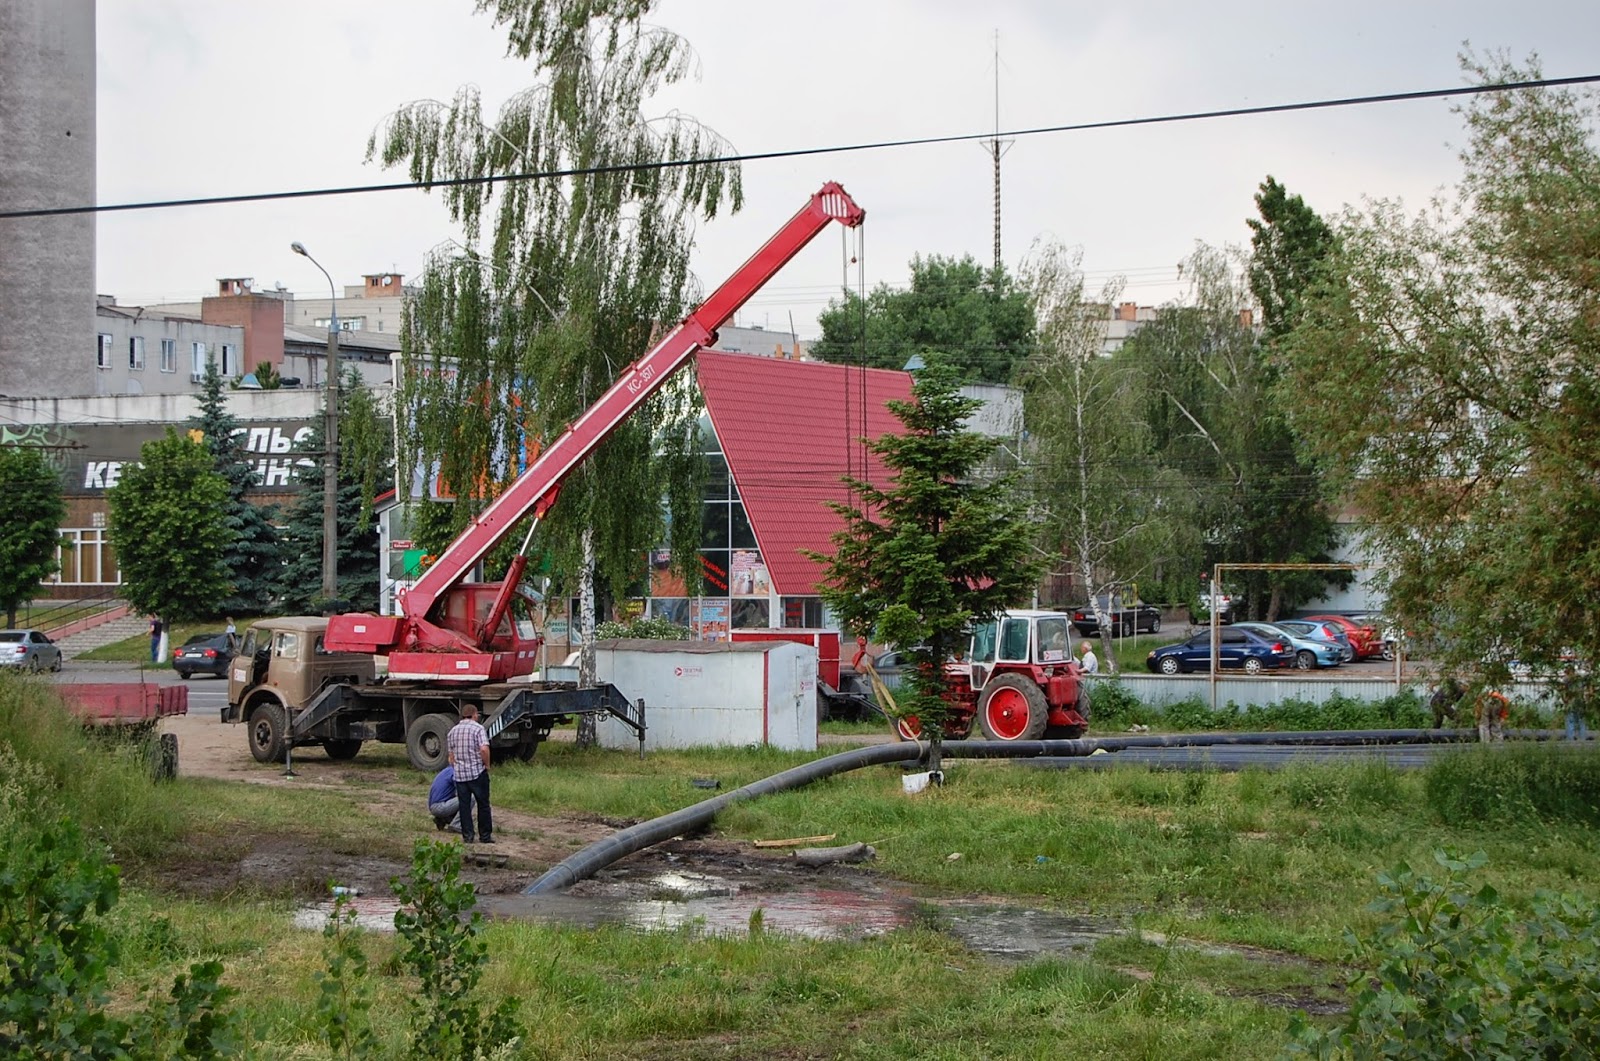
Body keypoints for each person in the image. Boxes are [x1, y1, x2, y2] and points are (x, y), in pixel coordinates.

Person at [447, 704, 492, 844]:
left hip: (460, 776)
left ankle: (468, 836)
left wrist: (457, 767)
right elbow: (484, 749)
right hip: (476, 772)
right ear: (474, 714)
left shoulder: (452, 731)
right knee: (483, 804)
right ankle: (485, 836)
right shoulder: (478, 729)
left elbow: (451, 757)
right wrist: (487, 765)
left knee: (464, 806)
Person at [1560, 665, 1589, 742]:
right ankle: (1582, 739)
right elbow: (1587, 689)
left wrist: (1564, 700)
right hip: (1580, 702)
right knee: (1581, 721)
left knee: (1570, 721)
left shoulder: (1566, 679)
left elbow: (1562, 691)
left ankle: (1570, 740)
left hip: (1570, 702)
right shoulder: (1580, 679)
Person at [428, 764, 460, 832]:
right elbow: (461, 792)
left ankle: (443, 819)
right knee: (469, 798)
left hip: (434, 806)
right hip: (440, 806)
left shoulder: (447, 770)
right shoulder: (454, 772)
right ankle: (456, 825)